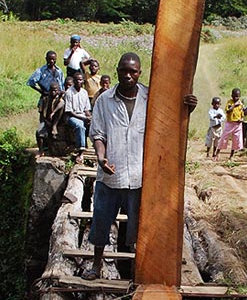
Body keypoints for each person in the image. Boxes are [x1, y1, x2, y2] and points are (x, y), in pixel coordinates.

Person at [84, 52, 197, 280]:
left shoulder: (152, 97)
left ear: (139, 73)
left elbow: (170, 122)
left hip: (139, 177)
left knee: (139, 227)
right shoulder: (104, 100)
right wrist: (101, 158)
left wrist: (188, 109)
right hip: (110, 176)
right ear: (117, 71)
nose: (128, 75)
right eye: (123, 70)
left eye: (132, 71)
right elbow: (97, 134)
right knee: (101, 222)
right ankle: (96, 265)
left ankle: (140, 269)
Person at [63, 69, 92, 162]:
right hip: (72, 116)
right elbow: (69, 112)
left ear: (83, 81)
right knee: (80, 126)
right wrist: (84, 118)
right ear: (74, 81)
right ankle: (81, 152)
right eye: (77, 80)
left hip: (82, 115)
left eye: (80, 80)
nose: (79, 82)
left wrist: (90, 117)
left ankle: (97, 149)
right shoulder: (69, 93)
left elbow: (86, 109)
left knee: (95, 124)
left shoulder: (84, 92)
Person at [35, 82, 65, 155]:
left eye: (55, 90)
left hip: (57, 120)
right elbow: (41, 113)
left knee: (61, 106)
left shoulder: (60, 99)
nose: (53, 92)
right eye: (51, 90)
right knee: (39, 132)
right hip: (46, 120)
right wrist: (44, 122)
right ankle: (41, 151)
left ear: (58, 90)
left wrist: (53, 112)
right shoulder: (45, 99)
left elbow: (62, 104)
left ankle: (54, 126)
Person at [216, 88, 244, 160]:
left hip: (237, 124)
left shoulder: (241, 104)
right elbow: (228, 111)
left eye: (237, 96)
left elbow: (242, 113)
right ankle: (217, 153)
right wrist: (234, 105)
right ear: (231, 96)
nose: (236, 98)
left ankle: (231, 156)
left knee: (236, 139)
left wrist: (241, 119)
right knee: (224, 138)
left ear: (240, 96)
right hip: (229, 123)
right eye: (234, 96)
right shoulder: (230, 102)